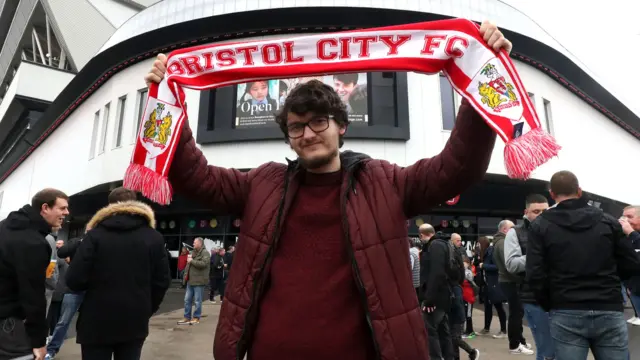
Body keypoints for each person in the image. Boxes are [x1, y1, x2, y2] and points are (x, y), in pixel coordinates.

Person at [144, 21, 511, 360]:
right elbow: (196, 176)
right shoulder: (261, 183)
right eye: (296, 127)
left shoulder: (385, 181)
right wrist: (166, 102)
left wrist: (482, 76)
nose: (307, 134)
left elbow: (457, 167)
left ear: (342, 126)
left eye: (319, 121)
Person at [527, 171, 640, 359]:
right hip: (607, 306)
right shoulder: (608, 221)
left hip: (565, 308)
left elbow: (535, 273)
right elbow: (631, 264)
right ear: (579, 191)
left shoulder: (541, 225)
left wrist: (550, 303)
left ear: (552, 194)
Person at [65, 187, 171, 360]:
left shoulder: (94, 236)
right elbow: (162, 281)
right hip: (135, 319)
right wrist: (147, 308)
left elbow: (74, 279)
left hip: (96, 319)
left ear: (109, 206)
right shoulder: (154, 237)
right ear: (136, 203)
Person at [0, 188, 69, 360]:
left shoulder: (6, 226)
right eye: (62, 208)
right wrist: (39, 341)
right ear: (45, 207)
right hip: (10, 323)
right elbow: (32, 293)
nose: (67, 213)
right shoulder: (33, 242)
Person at [504, 194, 554, 360]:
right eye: (536, 211)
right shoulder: (516, 232)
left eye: (545, 210)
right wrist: (537, 255)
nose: (541, 214)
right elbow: (511, 264)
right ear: (527, 212)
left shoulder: (556, 229)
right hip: (534, 297)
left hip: (562, 296)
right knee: (547, 349)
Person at [494, 219, 533, 355]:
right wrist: (521, 278)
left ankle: (519, 340)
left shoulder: (500, 242)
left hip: (509, 280)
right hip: (510, 281)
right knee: (516, 313)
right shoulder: (502, 243)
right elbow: (509, 266)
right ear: (505, 230)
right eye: (512, 229)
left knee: (517, 312)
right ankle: (515, 344)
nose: (516, 231)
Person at [477, 236, 507, 338]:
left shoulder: (491, 253)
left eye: (478, 244)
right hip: (487, 284)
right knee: (487, 307)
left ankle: (503, 330)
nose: (477, 246)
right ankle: (486, 328)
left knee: (498, 307)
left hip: (494, 283)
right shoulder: (484, 253)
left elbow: (498, 267)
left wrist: (484, 266)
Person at [178, 237, 210, 325]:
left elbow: (204, 264)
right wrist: (185, 277)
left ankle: (196, 317)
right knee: (187, 300)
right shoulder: (192, 253)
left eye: (195, 243)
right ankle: (186, 317)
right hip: (190, 281)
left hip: (199, 281)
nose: (193, 244)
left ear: (200, 243)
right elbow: (188, 266)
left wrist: (192, 261)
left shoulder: (205, 253)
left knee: (197, 301)